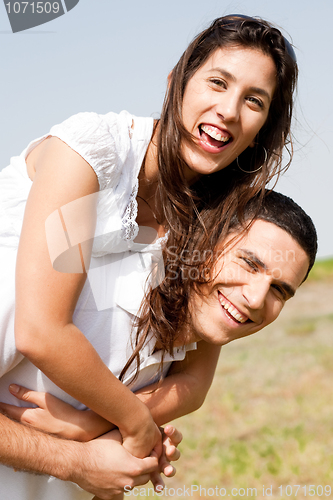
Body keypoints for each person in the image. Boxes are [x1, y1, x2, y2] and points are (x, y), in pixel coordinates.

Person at [0, 13, 298, 498]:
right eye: (217, 83)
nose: (228, 110)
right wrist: (135, 424)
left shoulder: (216, 216)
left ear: (264, 126)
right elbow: (42, 330)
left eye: (254, 101)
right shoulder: (91, 157)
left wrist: (92, 424)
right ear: (177, 80)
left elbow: (195, 379)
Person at [0, 190, 318, 500]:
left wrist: (124, 455)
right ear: (201, 242)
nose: (256, 298)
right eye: (249, 264)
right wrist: (78, 461)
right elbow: (82, 466)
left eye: (279, 289)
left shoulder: (176, 357)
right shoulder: (66, 289)